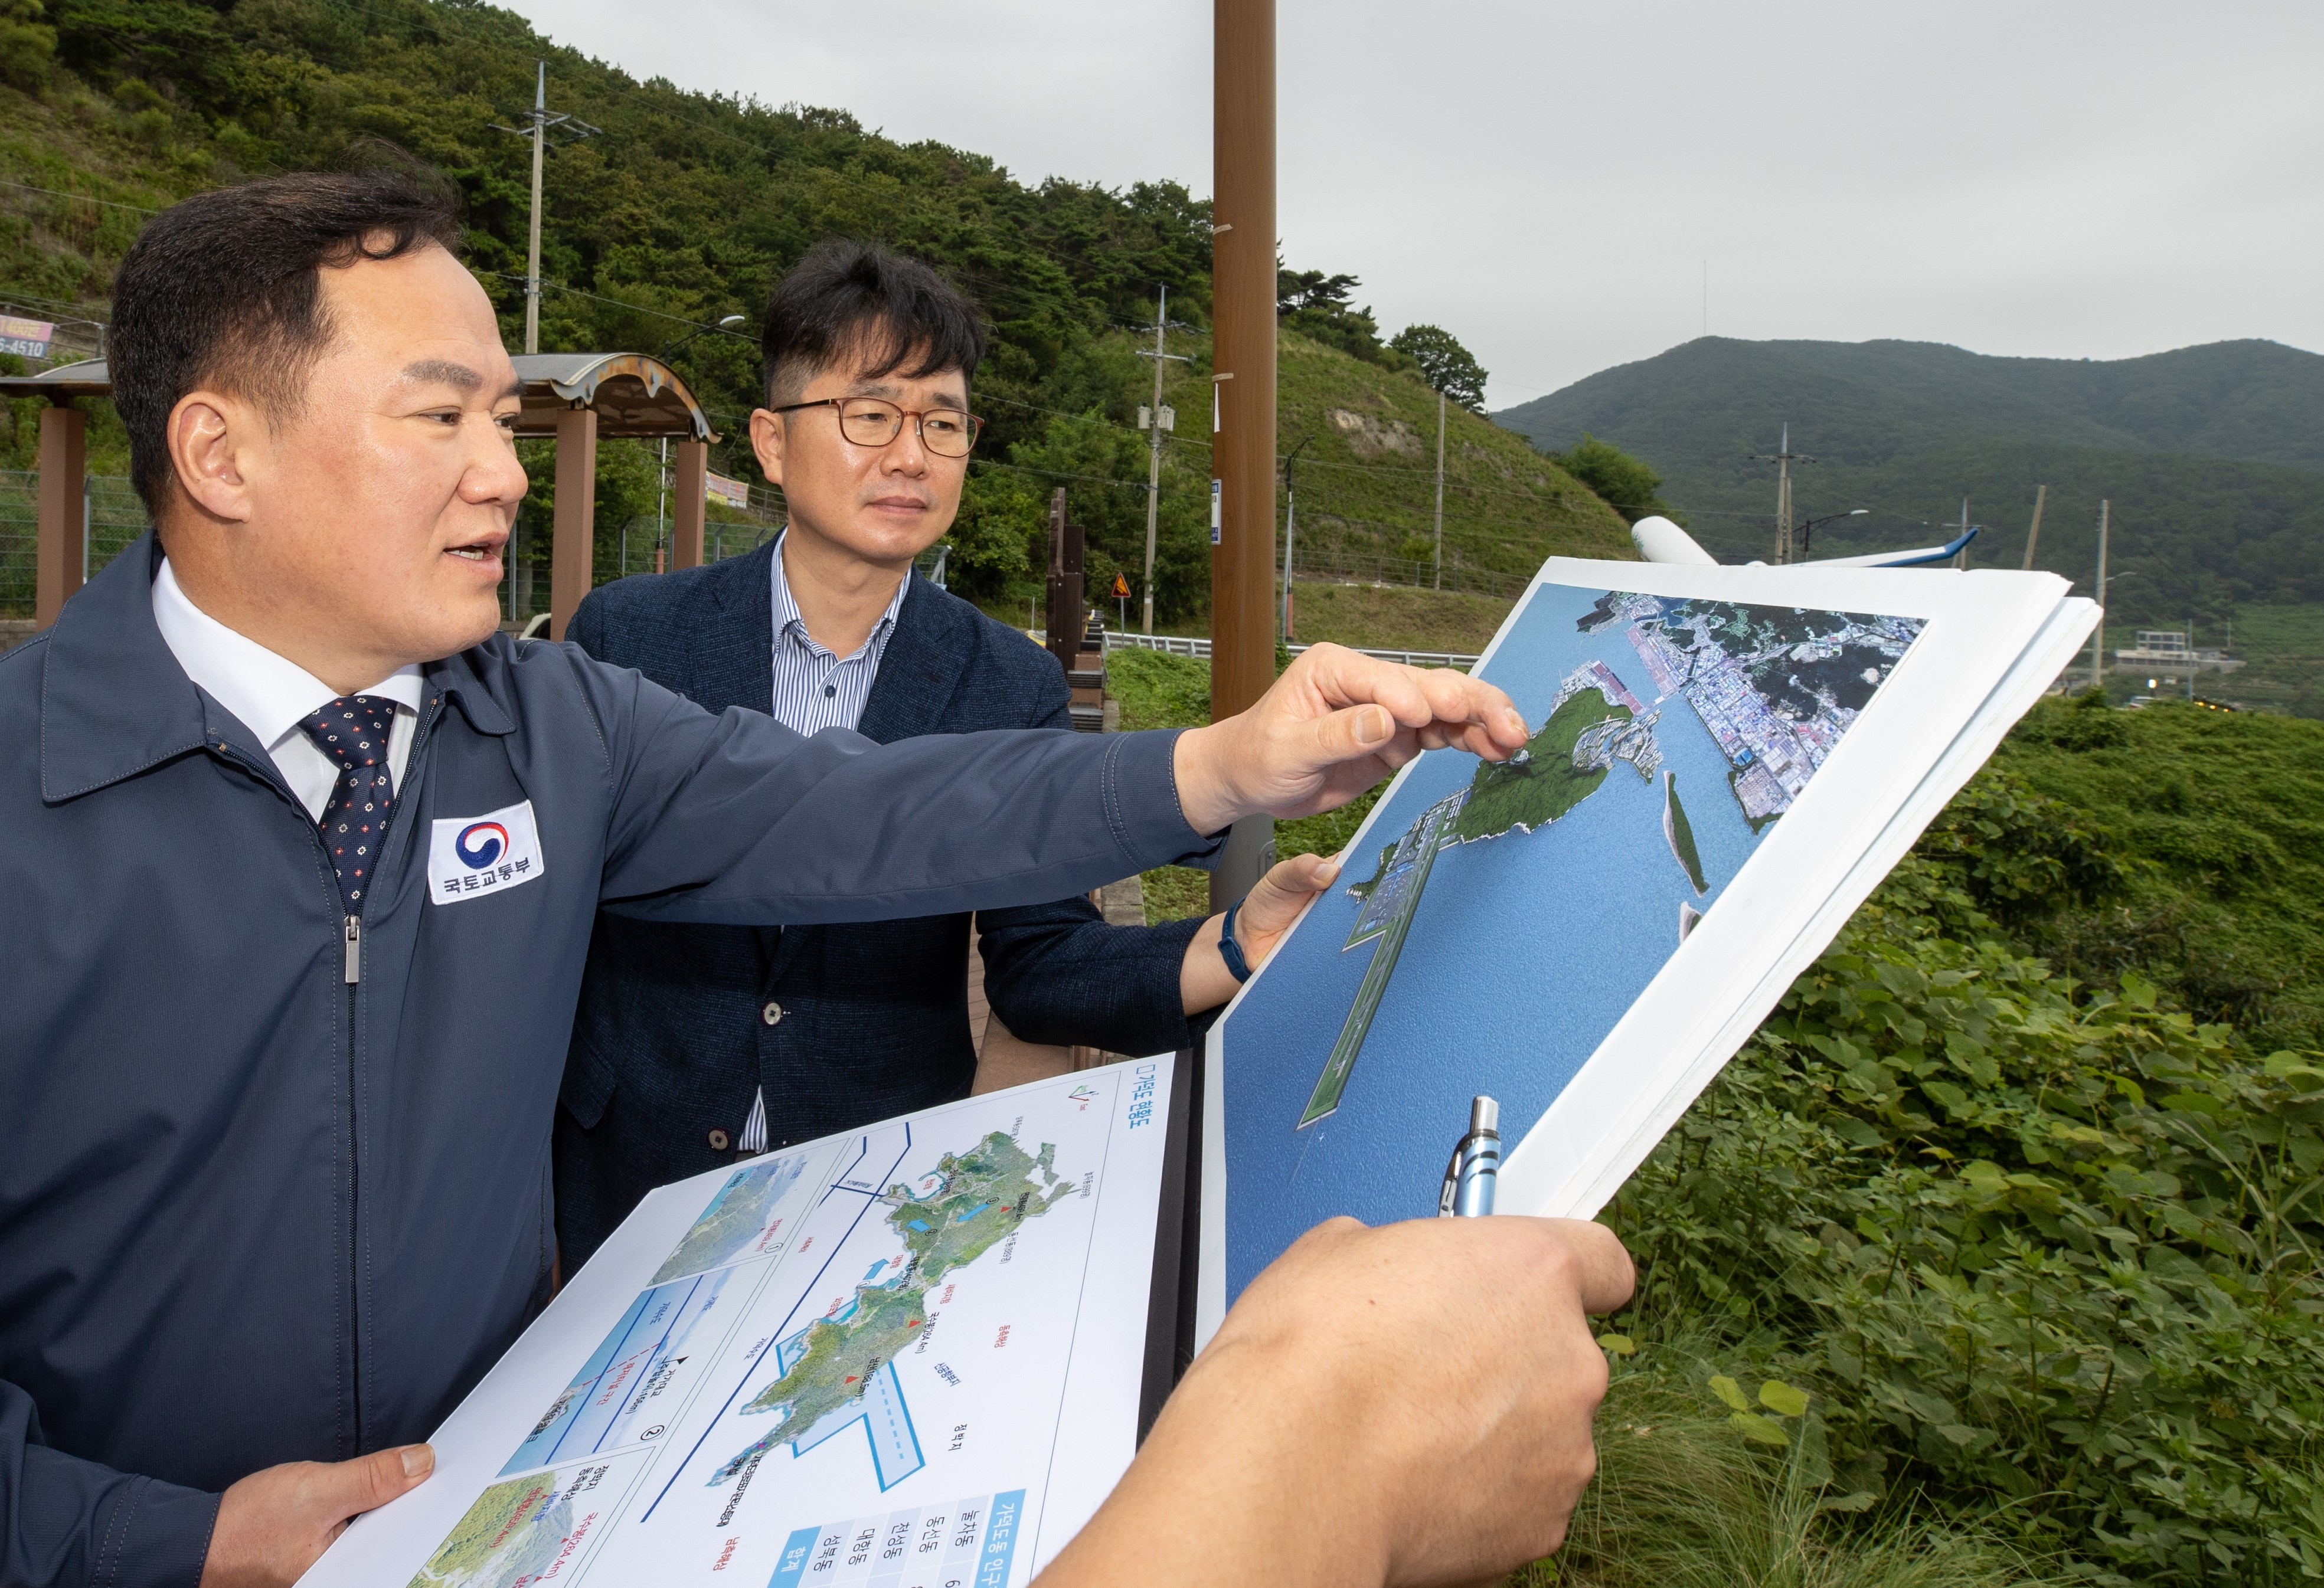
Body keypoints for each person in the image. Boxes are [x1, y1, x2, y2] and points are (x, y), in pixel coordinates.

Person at [0, 164, 1541, 1588]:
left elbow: (864, 813)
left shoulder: (556, 729)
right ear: (222, 452)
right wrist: (165, 1538)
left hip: (488, 1522)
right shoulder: (30, 793)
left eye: (504, 421)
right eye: (440, 418)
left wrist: (1213, 768)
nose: (508, 477)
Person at [554, 241, 1336, 1268]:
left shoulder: (1003, 680)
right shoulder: (630, 637)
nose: (911, 456)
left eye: (943, 423)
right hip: (629, 1174)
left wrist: (1232, 948)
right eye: (869, 415)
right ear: (772, 443)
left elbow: (1038, 965)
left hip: (869, 1183)